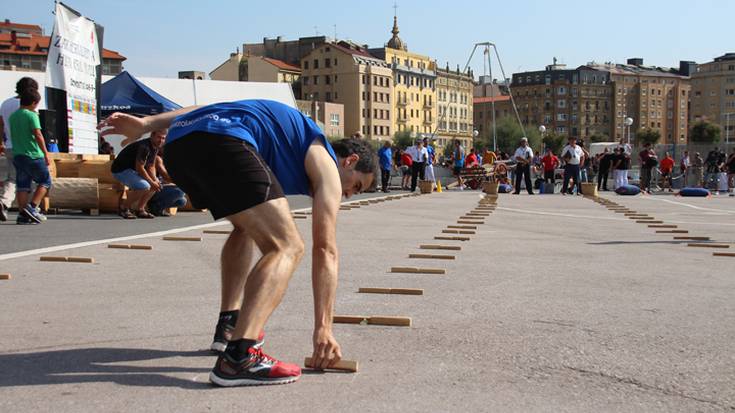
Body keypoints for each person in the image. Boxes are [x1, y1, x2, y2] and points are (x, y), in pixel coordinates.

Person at [99, 99, 375, 387]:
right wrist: (324, 329)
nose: (349, 196)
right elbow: (326, 249)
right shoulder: (326, 160)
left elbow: (207, 108)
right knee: (288, 246)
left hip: (181, 148)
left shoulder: (284, 142)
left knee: (245, 227)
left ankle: (229, 325)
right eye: (356, 186)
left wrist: (147, 124)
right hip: (224, 141)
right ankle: (240, 355)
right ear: (350, 161)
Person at [9, 88, 51, 224]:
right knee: (45, 181)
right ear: (34, 103)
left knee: (23, 185)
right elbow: (38, 134)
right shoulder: (32, 115)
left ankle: (22, 214)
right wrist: (45, 153)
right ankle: (32, 207)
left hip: (18, 155)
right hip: (33, 154)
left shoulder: (13, 116)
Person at [0, 77, 39, 222]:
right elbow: (36, 129)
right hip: (28, 148)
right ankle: (29, 209)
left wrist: (2, 142)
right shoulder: (28, 105)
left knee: (12, 178)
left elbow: (1, 124)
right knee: (34, 178)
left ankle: (4, 202)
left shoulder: (6, 103)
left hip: (10, 145)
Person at [110, 131, 166, 219]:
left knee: (155, 185)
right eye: (159, 137)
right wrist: (151, 182)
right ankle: (123, 208)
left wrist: (155, 180)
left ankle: (140, 209)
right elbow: (139, 168)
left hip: (132, 171)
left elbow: (151, 166)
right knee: (144, 186)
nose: (161, 140)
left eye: (163, 138)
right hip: (120, 170)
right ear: (152, 136)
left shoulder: (155, 147)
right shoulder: (144, 146)